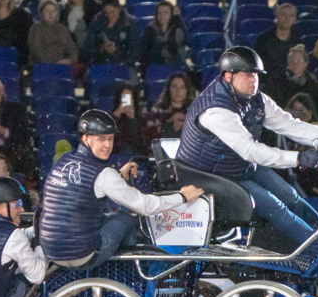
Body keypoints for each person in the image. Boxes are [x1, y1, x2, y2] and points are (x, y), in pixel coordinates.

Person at [175, 47, 318, 246]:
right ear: (228, 76)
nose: (254, 79)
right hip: (210, 176)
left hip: (238, 166)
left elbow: (289, 125)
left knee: (291, 196)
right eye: (247, 75)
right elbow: (251, 150)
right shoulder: (215, 110)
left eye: (255, 74)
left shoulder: (257, 99)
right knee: (276, 208)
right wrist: (297, 158)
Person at [37, 110, 205, 270]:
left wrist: (118, 175)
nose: (107, 145)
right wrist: (182, 197)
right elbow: (146, 206)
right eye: (101, 139)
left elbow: (82, 186)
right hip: (79, 254)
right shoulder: (103, 175)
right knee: (126, 218)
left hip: (50, 250)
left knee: (106, 217)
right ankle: (132, 277)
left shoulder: (63, 161)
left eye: (110, 139)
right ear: (86, 138)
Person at [83, 0, 136, 65]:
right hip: (100, 65)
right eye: (106, 13)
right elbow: (87, 48)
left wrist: (123, 64)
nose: (110, 16)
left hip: (124, 66)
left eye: (112, 12)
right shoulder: (97, 21)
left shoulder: (129, 22)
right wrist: (102, 49)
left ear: (118, 8)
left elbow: (135, 51)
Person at [28, 0, 78, 67]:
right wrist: (54, 64)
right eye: (47, 11)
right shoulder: (36, 28)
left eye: (54, 11)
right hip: (42, 66)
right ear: (42, 12)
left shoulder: (62, 28)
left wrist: (70, 60)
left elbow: (72, 48)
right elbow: (36, 51)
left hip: (62, 65)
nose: (50, 14)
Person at [138, 0, 187, 71]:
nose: (162, 16)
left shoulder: (176, 28)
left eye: (165, 13)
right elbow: (145, 53)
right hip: (155, 67)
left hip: (174, 66)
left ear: (171, 14)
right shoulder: (150, 30)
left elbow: (185, 41)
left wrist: (177, 19)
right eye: (159, 13)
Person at [150, 72, 196, 142]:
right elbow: (151, 134)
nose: (178, 91)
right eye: (174, 87)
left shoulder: (194, 111)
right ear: (169, 89)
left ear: (187, 90)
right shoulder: (157, 109)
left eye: (182, 87)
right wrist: (170, 122)